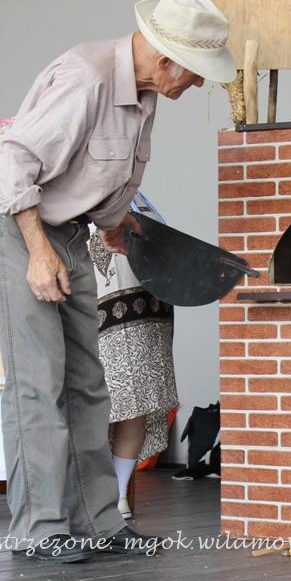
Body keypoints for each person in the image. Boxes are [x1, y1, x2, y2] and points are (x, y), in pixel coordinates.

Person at [0, 0, 234, 562]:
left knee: (90, 387)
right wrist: (37, 252)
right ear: (167, 58)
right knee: (38, 385)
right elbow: (11, 160)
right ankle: (39, 529)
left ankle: (99, 521)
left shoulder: (145, 94)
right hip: (23, 233)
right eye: (196, 72)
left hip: (72, 234)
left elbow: (100, 174)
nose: (198, 84)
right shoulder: (87, 78)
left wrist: (116, 222)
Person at [87, 192, 178, 520]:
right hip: (96, 317)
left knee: (136, 406)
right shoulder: (75, 196)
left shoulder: (140, 199)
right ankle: (91, 495)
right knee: (97, 407)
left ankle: (119, 492)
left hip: (148, 316)